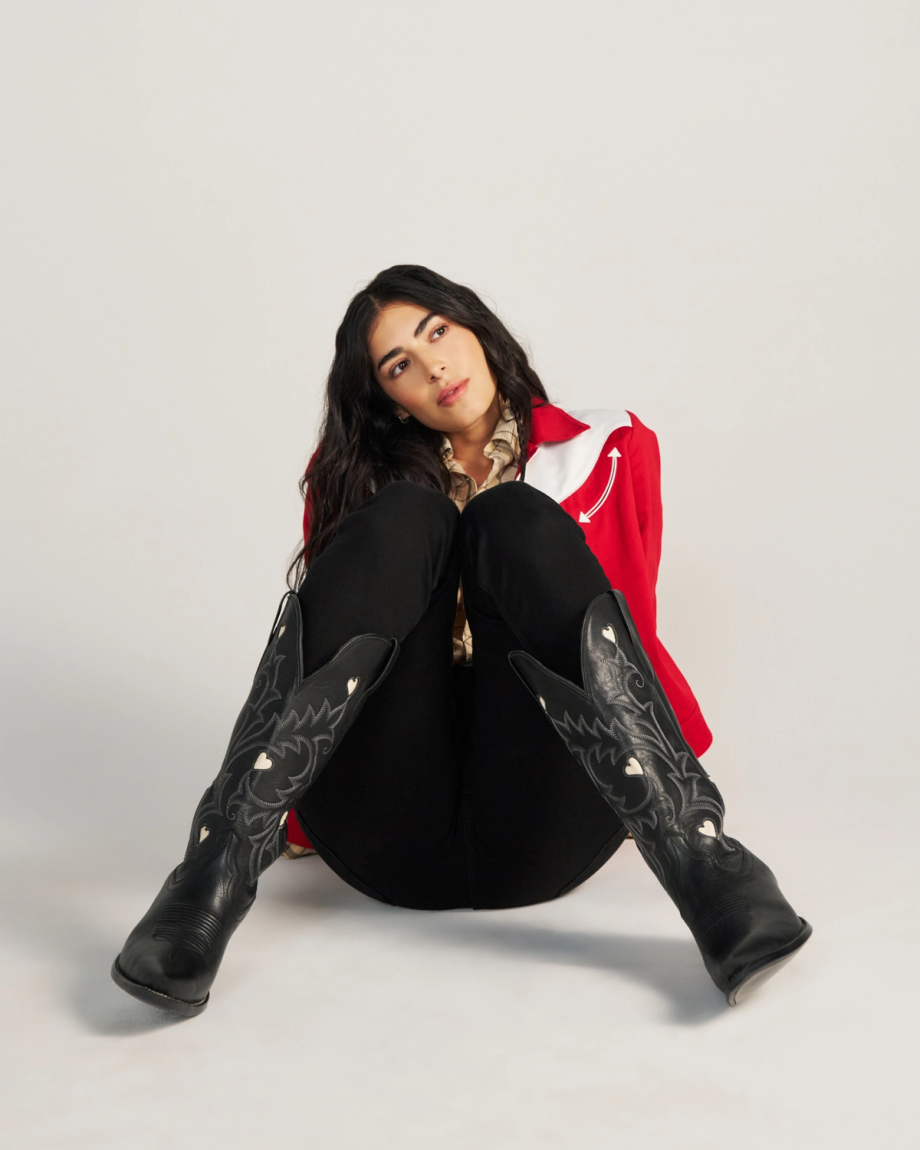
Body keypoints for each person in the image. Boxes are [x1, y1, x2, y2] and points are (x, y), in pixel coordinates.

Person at [111, 265, 811, 1017]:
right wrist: (297, 820)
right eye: (399, 365)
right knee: (407, 516)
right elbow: (326, 643)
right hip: (390, 828)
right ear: (391, 399)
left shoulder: (612, 445)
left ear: (475, 326)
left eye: (437, 332)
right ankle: (210, 877)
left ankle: (703, 862)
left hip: (543, 818)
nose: (434, 367)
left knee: (511, 518)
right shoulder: (350, 478)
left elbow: (630, 618)